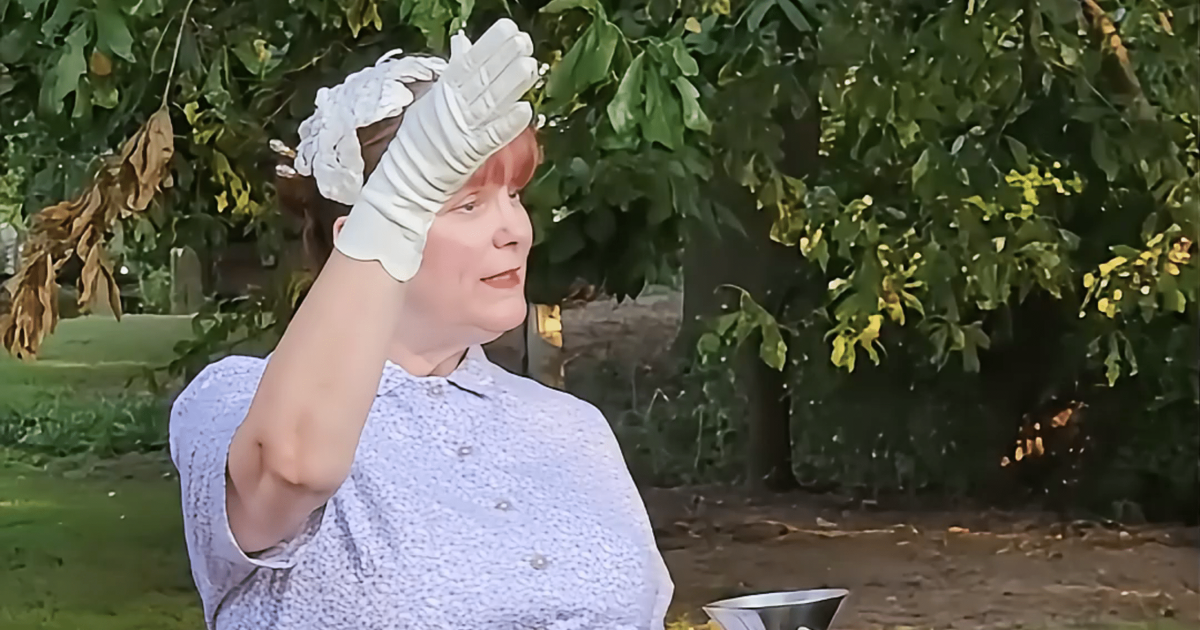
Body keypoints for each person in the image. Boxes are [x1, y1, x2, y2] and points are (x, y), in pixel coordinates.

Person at [168, 19, 674, 630]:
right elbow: (290, 467)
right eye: (465, 203)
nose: (515, 231)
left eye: (515, 196)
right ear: (359, 231)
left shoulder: (573, 429)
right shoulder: (237, 401)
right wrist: (401, 197)